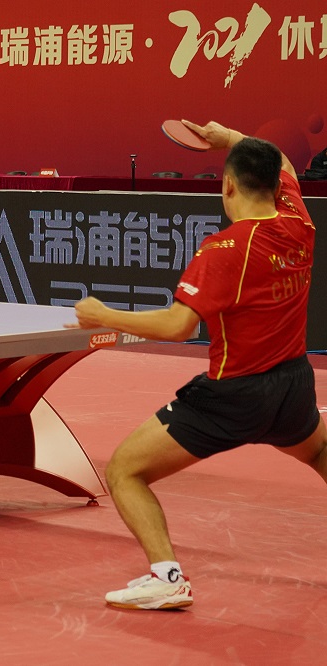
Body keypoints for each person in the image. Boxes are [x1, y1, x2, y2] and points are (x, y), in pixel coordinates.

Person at [68, 119, 325, 611]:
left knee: (124, 470)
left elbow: (178, 326)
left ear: (227, 186)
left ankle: (166, 577)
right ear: (275, 186)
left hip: (234, 395)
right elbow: (284, 164)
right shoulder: (299, 221)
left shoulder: (225, 249)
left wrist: (104, 315)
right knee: (320, 453)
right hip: (294, 384)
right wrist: (228, 137)